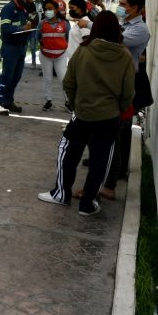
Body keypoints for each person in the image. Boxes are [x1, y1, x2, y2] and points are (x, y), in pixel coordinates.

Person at [38, 11, 135, 216]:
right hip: (109, 117)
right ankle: (88, 203)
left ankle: (61, 194)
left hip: (81, 114)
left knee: (68, 152)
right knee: (101, 160)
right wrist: (117, 108)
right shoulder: (124, 55)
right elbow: (128, 92)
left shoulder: (84, 50)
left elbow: (69, 83)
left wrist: (75, 104)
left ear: (96, 27)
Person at [99, 0, 150, 199]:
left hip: (129, 82)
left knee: (121, 130)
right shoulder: (125, 24)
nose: (119, 7)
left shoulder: (140, 30)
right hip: (115, 81)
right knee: (113, 129)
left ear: (135, 8)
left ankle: (116, 172)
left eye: (123, 4)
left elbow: (111, 42)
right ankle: (108, 164)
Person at [0, 0, 36, 115]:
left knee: (16, 76)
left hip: (21, 47)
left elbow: (28, 23)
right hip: (11, 47)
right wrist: (22, 28)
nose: (29, 2)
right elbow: (5, 28)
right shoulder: (9, 9)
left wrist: (30, 25)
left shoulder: (24, 9)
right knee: (7, 76)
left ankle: (8, 101)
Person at [38, 0, 70, 111]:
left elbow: (68, 38)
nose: (48, 11)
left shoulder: (65, 24)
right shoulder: (42, 23)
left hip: (61, 55)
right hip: (45, 55)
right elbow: (39, 38)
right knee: (47, 78)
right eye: (46, 9)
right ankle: (48, 101)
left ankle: (68, 102)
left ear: (56, 10)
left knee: (63, 79)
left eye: (50, 9)